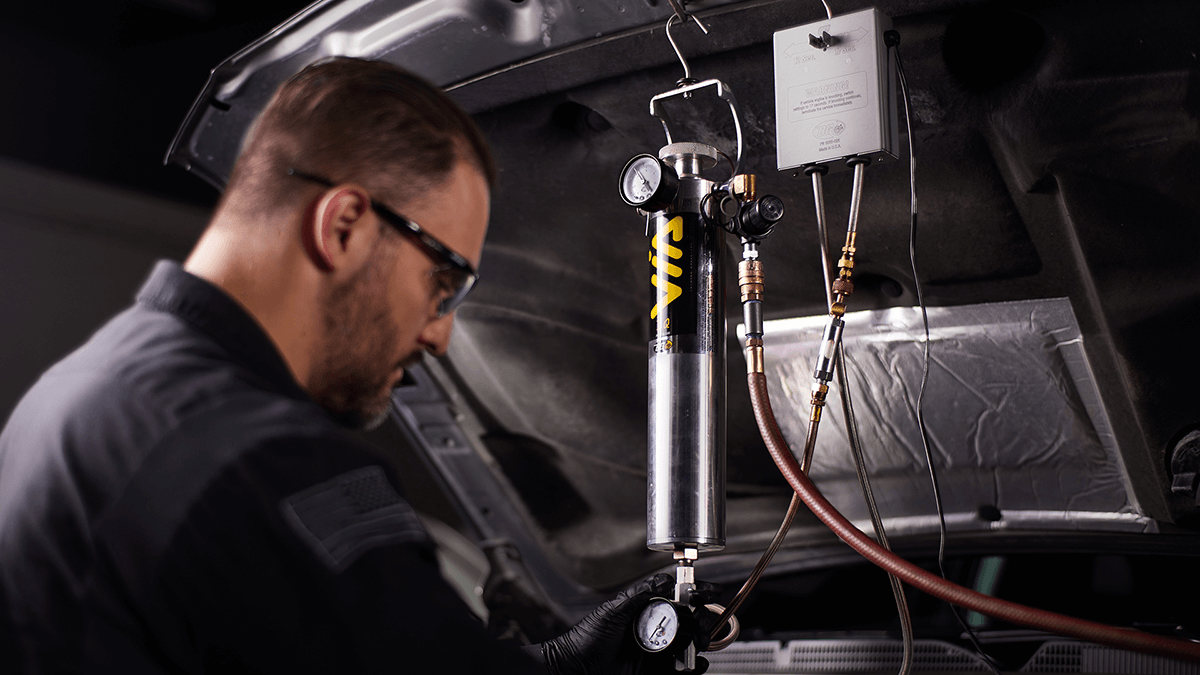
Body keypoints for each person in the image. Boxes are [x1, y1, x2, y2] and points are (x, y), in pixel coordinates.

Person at [0, 58, 711, 674]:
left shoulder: (78, 392)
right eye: (444, 283)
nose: (440, 335)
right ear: (342, 226)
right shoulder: (266, 460)